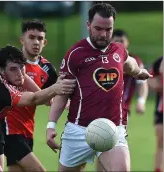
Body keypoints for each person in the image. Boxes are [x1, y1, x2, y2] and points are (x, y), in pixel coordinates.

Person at [46, 3, 152, 171]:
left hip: (113, 128)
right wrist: (51, 125)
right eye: (98, 29)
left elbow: (128, 63)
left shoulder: (118, 50)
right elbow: (62, 93)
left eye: (108, 29)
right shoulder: (75, 54)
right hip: (78, 130)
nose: (103, 34)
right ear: (88, 25)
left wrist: (139, 72)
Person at [0, 45, 76, 172]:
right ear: (2, 70)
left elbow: (25, 80)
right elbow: (33, 99)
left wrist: (49, 97)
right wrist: (54, 89)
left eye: (22, 67)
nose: (19, 73)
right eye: (13, 70)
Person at [0, 19, 59, 172]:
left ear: (45, 42)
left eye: (40, 38)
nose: (36, 42)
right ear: (22, 40)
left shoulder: (48, 69)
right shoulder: (5, 61)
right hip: (7, 129)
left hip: (27, 130)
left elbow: (50, 98)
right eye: (31, 37)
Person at [96, 29, 149, 171]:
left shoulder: (135, 62)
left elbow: (142, 84)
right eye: (116, 41)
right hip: (100, 110)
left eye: (122, 41)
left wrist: (141, 101)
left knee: (113, 145)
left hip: (123, 111)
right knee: (102, 146)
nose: (119, 43)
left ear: (127, 43)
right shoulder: (103, 60)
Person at [148, 57, 163, 172]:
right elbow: (150, 79)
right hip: (161, 109)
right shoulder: (160, 61)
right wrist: (158, 86)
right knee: (161, 141)